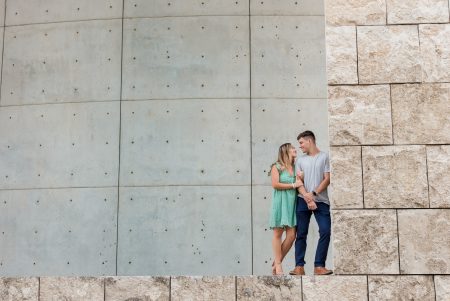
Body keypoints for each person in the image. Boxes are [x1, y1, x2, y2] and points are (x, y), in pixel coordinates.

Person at [290, 130, 333, 276]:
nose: (300, 146)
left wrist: (314, 194)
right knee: (301, 233)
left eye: (301, 142)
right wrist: (308, 198)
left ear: (310, 141)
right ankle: (299, 267)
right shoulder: (300, 160)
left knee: (325, 231)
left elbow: (327, 178)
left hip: (321, 201)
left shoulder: (324, 157)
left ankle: (319, 266)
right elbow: (298, 182)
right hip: (303, 201)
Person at [269, 143, 304, 275]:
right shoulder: (276, 166)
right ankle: (278, 266)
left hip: (292, 204)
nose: (295, 150)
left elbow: (300, 183)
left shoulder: (296, 167)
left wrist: (301, 178)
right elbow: (275, 184)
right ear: (285, 151)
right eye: (292, 148)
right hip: (280, 203)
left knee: (291, 236)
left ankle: (276, 262)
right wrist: (294, 184)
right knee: (278, 234)